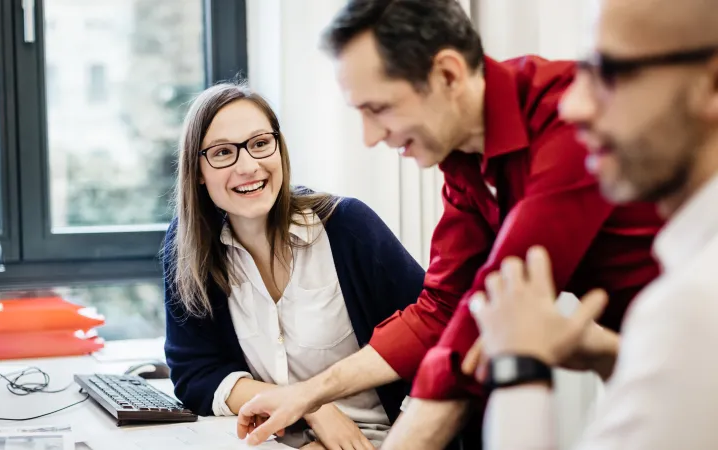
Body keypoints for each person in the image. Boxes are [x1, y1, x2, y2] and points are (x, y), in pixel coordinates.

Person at [236, 0, 664, 449]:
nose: (370, 136)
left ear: (447, 75)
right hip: (648, 356)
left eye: (378, 108)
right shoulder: (465, 162)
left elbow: (478, 321)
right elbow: (440, 309)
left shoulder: (566, 120)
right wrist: (308, 393)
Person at [466, 0, 718, 448]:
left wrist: (519, 364)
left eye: (609, 71)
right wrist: (619, 358)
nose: (573, 107)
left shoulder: (691, 309)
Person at [161, 82, 427, 449]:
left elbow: (432, 340)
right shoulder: (189, 246)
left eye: (259, 144)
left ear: (279, 147)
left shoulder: (348, 227)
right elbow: (195, 373)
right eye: (223, 153)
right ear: (198, 172)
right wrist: (310, 405)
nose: (248, 166)